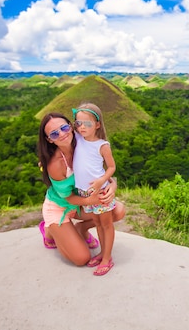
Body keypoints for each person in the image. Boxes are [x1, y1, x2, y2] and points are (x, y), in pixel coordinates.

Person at [37, 112, 125, 267]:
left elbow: (100, 170)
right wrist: (90, 200)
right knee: (81, 258)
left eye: (64, 127)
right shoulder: (55, 164)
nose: (62, 134)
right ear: (49, 139)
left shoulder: (82, 141)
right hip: (60, 207)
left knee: (118, 211)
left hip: (81, 204)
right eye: (55, 133)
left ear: (71, 126)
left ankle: (81, 228)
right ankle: (50, 230)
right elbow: (68, 198)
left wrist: (113, 185)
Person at [73, 103, 117, 276]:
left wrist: (101, 181)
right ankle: (102, 253)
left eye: (88, 124)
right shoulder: (77, 138)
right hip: (85, 193)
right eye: (79, 123)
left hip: (100, 192)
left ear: (98, 124)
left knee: (106, 225)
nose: (82, 127)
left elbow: (112, 167)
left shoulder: (102, 145)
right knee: (97, 223)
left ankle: (107, 258)